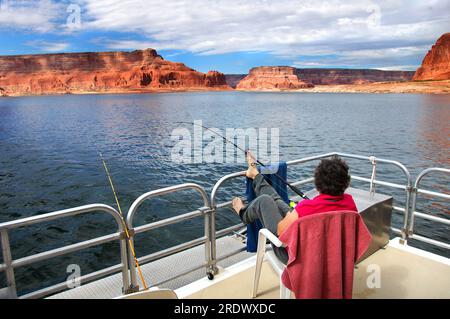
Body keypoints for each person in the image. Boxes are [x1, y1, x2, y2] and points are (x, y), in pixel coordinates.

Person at [231, 152, 358, 264]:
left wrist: (288, 217)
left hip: (295, 256)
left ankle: (243, 213)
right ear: (346, 183)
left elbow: (280, 231)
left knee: (265, 201)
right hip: (328, 253)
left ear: (317, 184)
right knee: (277, 201)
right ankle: (255, 175)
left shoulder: (306, 208)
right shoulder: (350, 204)